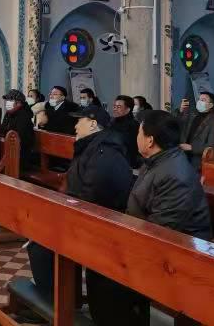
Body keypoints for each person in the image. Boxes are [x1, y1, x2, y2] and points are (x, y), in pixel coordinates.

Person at [27, 106, 135, 325]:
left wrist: (66, 214)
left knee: (42, 246)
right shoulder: (93, 147)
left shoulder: (105, 152)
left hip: (99, 224)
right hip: (82, 215)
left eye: (80, 121)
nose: (75, 126)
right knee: (39, 240)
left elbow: (94, 195)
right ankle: (55, 302)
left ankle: (55, 305)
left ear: (93, 124)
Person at [124, 110, 213, 324]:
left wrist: (126, 241)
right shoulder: (157, 161)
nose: (136, 137)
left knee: (110, 273)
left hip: (181, 249)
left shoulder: (175, 173)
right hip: (155, 238)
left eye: (139, 133)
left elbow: (162, 229)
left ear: (150, 140)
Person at [178, 91, 214, 171]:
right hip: (183, 155)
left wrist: (192, 147)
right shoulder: (192, 116)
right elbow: (178, 125)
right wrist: (181, 111)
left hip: (198, 160)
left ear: (210, 105)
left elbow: (212, 147)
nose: (199, 102)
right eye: (199, 99)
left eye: (203, 100)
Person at [0, 89, 35, 170]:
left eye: (10, 100)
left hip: (21, 153)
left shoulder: (24, 116)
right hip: (9, 149)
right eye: (7, 100)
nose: (7, 102)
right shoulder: (9, 113)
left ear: (19, 103)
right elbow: (2, 129)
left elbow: (19, 137)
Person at [109, 95, 141, 168]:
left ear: (128, 109)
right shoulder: (112, 122)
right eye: (114, 106)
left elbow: (132, 149)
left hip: (126, 164)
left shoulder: (134, 126)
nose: (115, 109)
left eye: (119, 107)